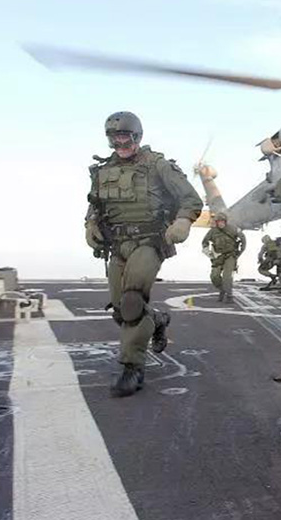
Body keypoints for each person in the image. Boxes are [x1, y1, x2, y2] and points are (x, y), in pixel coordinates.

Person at [85, 111, 202, 398]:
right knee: (120, 310)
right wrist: (90, 225)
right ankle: (158, 320)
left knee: (132, 302)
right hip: (117, 245)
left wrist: (183, 221)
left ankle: (132, 368)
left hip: (149, 242)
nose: (120, 143)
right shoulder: (102, 171)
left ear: (136, 136)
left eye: (125, 137)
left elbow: (190, 198)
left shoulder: (157, 165)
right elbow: (95, 205)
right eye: (114, 139)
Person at [201, 211, 245, 303]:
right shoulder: (212, 232)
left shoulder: (233, 229)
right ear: (216, 222)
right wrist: (209, 253)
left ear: (225, 221)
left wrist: (239, 253)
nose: (221, 223)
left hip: (230, 255)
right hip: (218, 256)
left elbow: (243, 239)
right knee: (214, 276)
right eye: (219, 222)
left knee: (227, 276)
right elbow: (204, 242)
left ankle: (229, 295)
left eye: (222, 221)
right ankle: (222, 289)